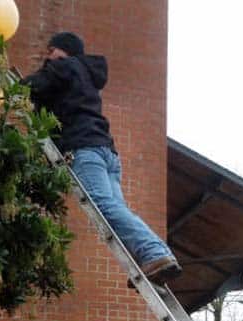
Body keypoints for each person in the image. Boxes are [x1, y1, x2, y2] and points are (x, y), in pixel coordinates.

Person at [24, 32, 181, 287]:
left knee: (103, 206)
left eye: (51, 50)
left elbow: (33, 86)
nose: (47, 56)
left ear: (64, 51)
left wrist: (12, 88)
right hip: (105, 152)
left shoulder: (64, 67)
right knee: (115, 211)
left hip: (84, 149)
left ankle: (155, 253)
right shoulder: (85, 75)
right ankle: (150, 261)